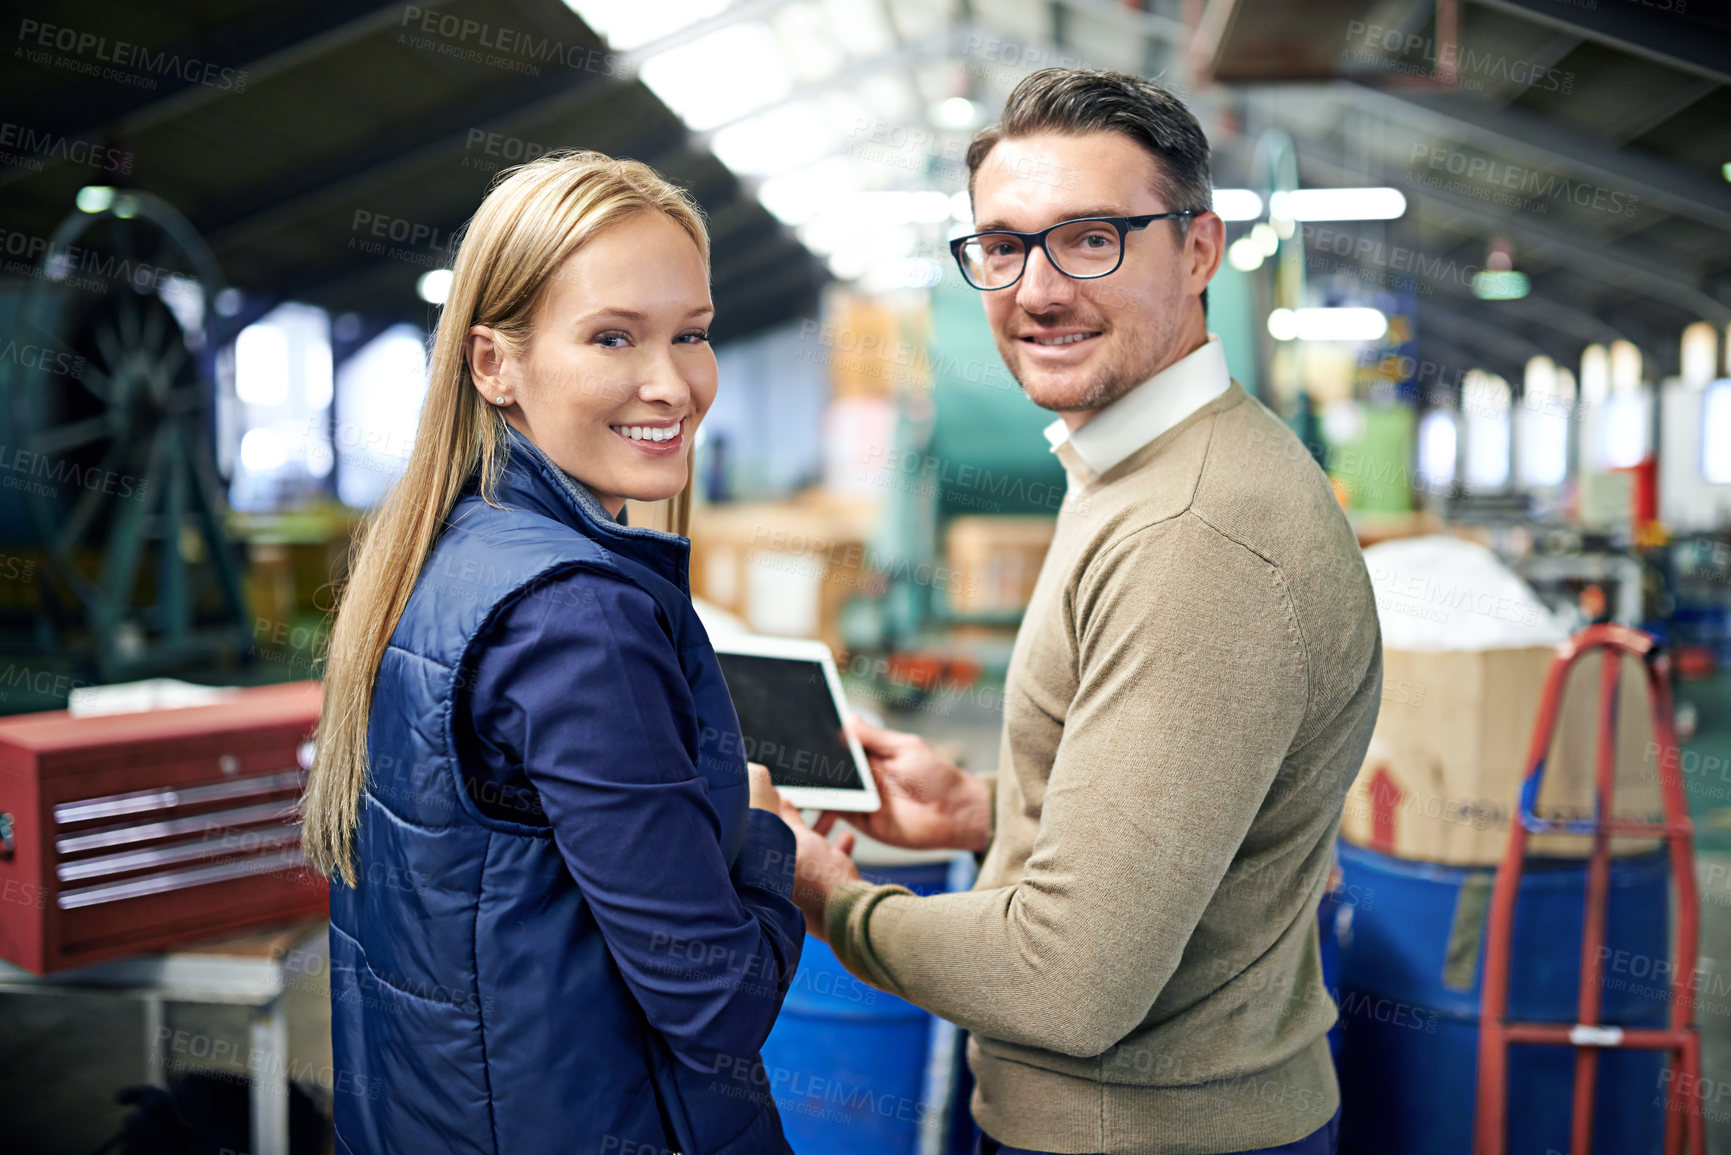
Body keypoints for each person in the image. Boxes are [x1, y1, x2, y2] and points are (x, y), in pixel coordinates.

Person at [780, 69, 1382, 1155]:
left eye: (1091, 237)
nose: (1038, 289)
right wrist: (984, 809)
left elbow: (1070, 980)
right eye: (1003, 247)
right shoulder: (1136, 468)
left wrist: (831, 895)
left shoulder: (1194, 537)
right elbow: (1192, 814)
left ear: (1199, 251)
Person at [300, 151, 806, 1155]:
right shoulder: (581, 618)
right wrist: (766, 838)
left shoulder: (443, 549)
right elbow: (717, 1002)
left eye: (692, 334)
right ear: (495, 363)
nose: (671, 385)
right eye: (613, 337)